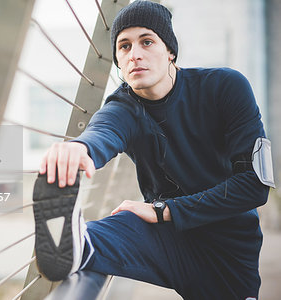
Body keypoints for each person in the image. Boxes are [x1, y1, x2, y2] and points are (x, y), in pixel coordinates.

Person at [32, 1, 275, 299]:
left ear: (170, 51)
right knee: (119, 224)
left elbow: (254, 186)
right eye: (124, 46)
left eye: (147, 41)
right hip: (167, 239)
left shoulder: (225, 87)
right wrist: (79, 148)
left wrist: (163, 209)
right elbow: (103, 130)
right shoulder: (123, 107)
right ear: (118, 62)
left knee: (143, 214)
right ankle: (77, 247)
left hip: (228, 247)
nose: (135, 54)